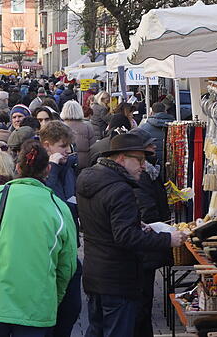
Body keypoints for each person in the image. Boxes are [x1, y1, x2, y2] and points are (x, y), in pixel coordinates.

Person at [0, 140, 78, 337]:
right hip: (38, 304)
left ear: (17, 167)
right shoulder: (58, 207)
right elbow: (67, 265)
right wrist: (54, 296)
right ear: (47, 169)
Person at [76, 133, 186, 337]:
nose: (143, 166)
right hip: (118, 278)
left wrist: (136, 223)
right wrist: (168, 239)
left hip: (96, 275)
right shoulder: (120, 189)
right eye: (140, 160)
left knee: (97, 330)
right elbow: (126, 237)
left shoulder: (91, 179)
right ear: (121, 158)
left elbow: (103, 223)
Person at [39, 122, 83, 337]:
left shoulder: (70, 167)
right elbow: (52, 201)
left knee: (71, 310)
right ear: (47, 146)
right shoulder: (42, 170)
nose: (67, 150)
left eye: (69, 146)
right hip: (50, 252)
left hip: (70, 245)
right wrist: (53, 168)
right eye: (62, 146)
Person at [128, 128, 171, 337]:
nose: (155, 147)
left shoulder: (148, 172)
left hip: (147, 246)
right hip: (146, 247)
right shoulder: (142, 175)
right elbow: (146, 210)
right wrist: (161, 233)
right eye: (150, 145)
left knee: (143, 301)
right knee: (142, 302)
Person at [60, 100, 99, 170]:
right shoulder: (87, 126)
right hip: (84, 165)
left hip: (65, 164)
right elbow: (93, 148)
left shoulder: (59, 126)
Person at [138, 102, 175, 170]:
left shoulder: (143, 128)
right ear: (165, 111)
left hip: (152, 166)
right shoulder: (176, 127)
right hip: (172, 165)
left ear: (152, 112)